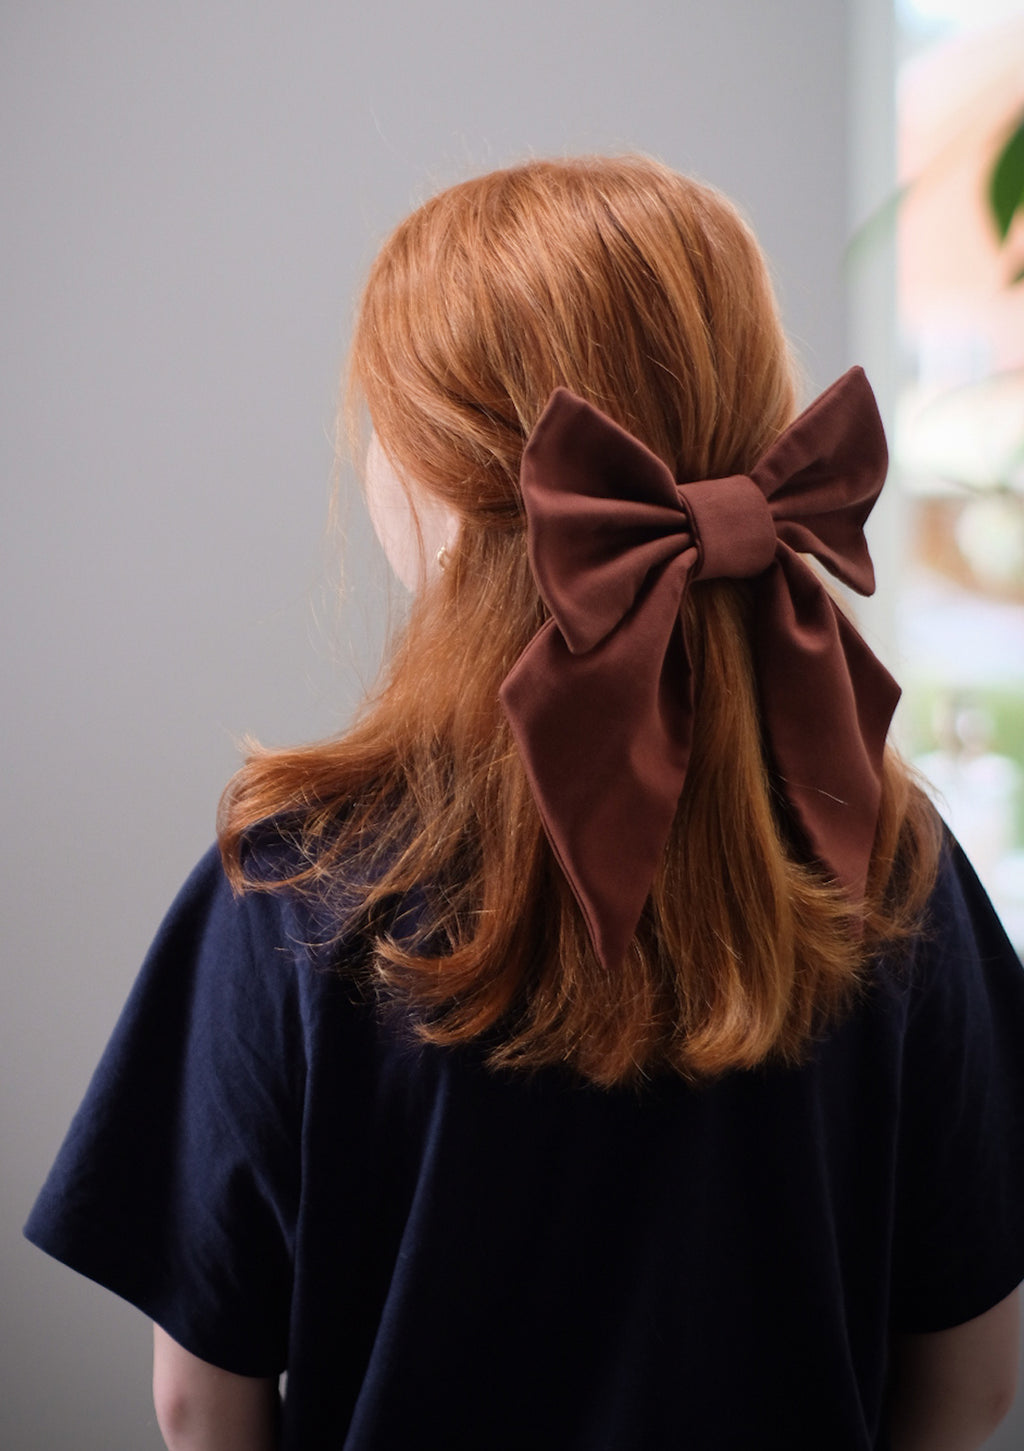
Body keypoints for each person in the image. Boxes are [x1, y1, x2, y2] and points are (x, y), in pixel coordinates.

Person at [25, 155, 1024, 1451]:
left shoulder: (291, 892)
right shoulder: (887, 861)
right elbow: (972, 1381)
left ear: (440, 486)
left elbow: (199, 1402)